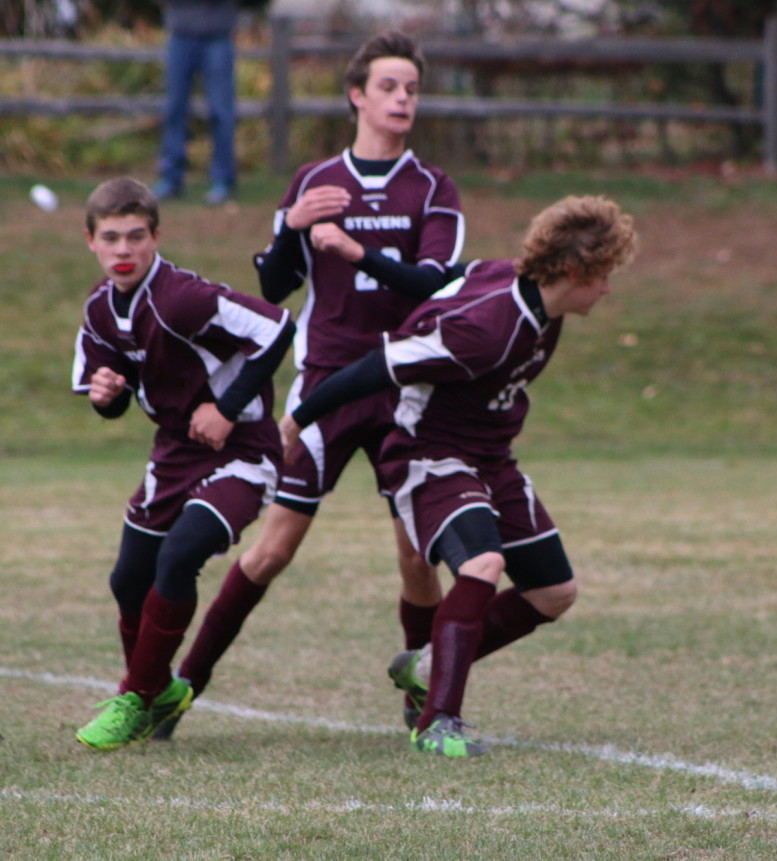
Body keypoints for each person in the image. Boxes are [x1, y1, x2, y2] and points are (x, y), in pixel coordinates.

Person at [155, 30, 464, 739]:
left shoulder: (432, 187)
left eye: (411, 89)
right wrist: (292, 228)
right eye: (389, 87)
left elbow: (433, 283)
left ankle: (427, 694)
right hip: (325, 386)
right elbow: (273, 283)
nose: (402, 99)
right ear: (357, 95)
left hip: (402, 390)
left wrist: (358, 250)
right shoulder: (315, 180)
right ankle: (183, 687)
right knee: (270, 550)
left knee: (416, 556)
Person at [280, 194, 638, 757]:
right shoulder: (485, 328)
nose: (609, 289)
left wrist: (363, 256)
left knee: (554, 592)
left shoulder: (528, 295)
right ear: (573, 272)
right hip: (430, 452)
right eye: (605, 277)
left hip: (491, 456)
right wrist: (297, 420)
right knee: (483, 564)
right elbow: (378, 365)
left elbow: (436, 279)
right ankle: (437, 720)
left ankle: (424, 667)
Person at [71, 177, 295, 751]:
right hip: (173, 453)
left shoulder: (183, 298)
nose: (124, 250)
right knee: (128, 581)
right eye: (112, 238)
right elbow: (112, 401)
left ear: (156, 237)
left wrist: (226, 408)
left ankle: (136, 695)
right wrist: (106, 393)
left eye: (136, 237)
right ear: (91, 241)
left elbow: (277, 326)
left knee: (179, 555)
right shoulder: (99, 312)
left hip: (242, 451)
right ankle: (160, 692)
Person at [153, 0, 239, 205]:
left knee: (220, 112)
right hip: (180, 34)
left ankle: (222, 179)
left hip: (218, 35)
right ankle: (171, 177)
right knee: (174, 110)